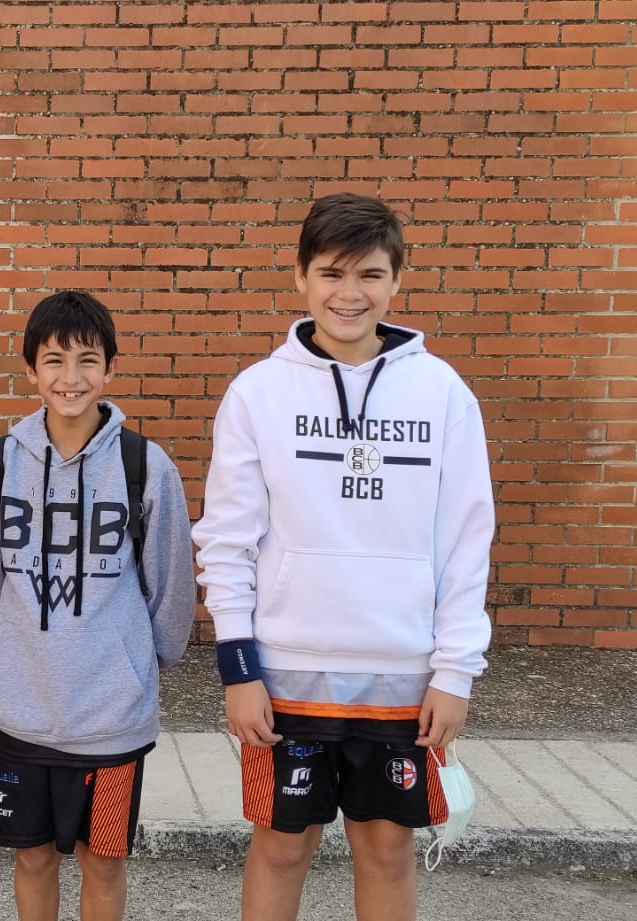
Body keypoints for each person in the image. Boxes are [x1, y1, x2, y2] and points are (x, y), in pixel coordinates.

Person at [192, 192, 495, 921]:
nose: (349, 293)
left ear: (398, 280)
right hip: (285, 672)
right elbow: (227, 541)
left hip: (402, 673)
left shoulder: (442, 393)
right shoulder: (257, 393)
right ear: (301, 276)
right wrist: (238, 668)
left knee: (387, 850)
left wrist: (455, 671)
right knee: (280, 847)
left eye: (370, 274)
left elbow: (466, 541)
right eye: (331, 272)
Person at [0, 291, 196, 921]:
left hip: (109, 712)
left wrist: (136, 662)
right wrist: (21, 645)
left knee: (103, 862)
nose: (71, 378)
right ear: (30, 371)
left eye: (87, 360)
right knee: (32, 858)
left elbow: (170, 582)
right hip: (20, 708)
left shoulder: (144, 464)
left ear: (111, 369)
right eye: (54, 361)